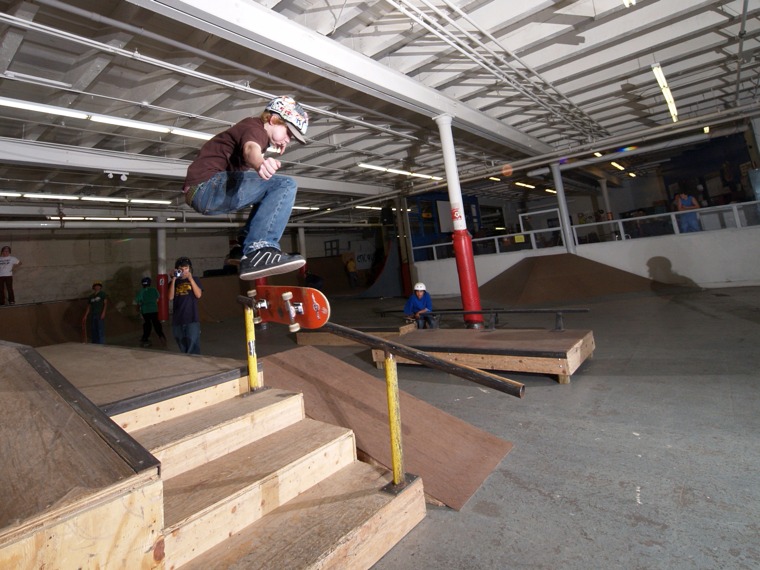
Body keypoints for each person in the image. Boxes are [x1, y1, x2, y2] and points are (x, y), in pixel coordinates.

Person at [183, 96, 309, 281]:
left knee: (267, 192)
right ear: (273, 119)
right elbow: (251, 149)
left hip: (201, 194)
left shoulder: (257, 133)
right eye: (288, 132)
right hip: (207, 186)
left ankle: (242, 247)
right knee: (284, 185)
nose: (288, 140)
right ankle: (260, 248)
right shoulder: (255, 128)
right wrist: (260, 163)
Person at [168, 256, 203, 355]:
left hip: (192, 319)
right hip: (177, 320)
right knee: (183, 348)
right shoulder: (174, 282)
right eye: (181, 269)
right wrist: (173, 279)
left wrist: (190, 279)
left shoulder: (195, 279)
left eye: (186, 268)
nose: (184, 271)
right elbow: (170, 297)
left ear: (190, 269)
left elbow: (198, 295)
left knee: (193, 347)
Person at [135, 276, 166, 348]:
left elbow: (139, 301)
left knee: (147, 324)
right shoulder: (154, 290)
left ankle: (145, 338)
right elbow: (157, 298)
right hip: (154, 309)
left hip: (145, 310)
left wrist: (138, 308)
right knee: (156, 323)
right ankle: (161, 335)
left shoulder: (141, 291)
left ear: (142, 284)